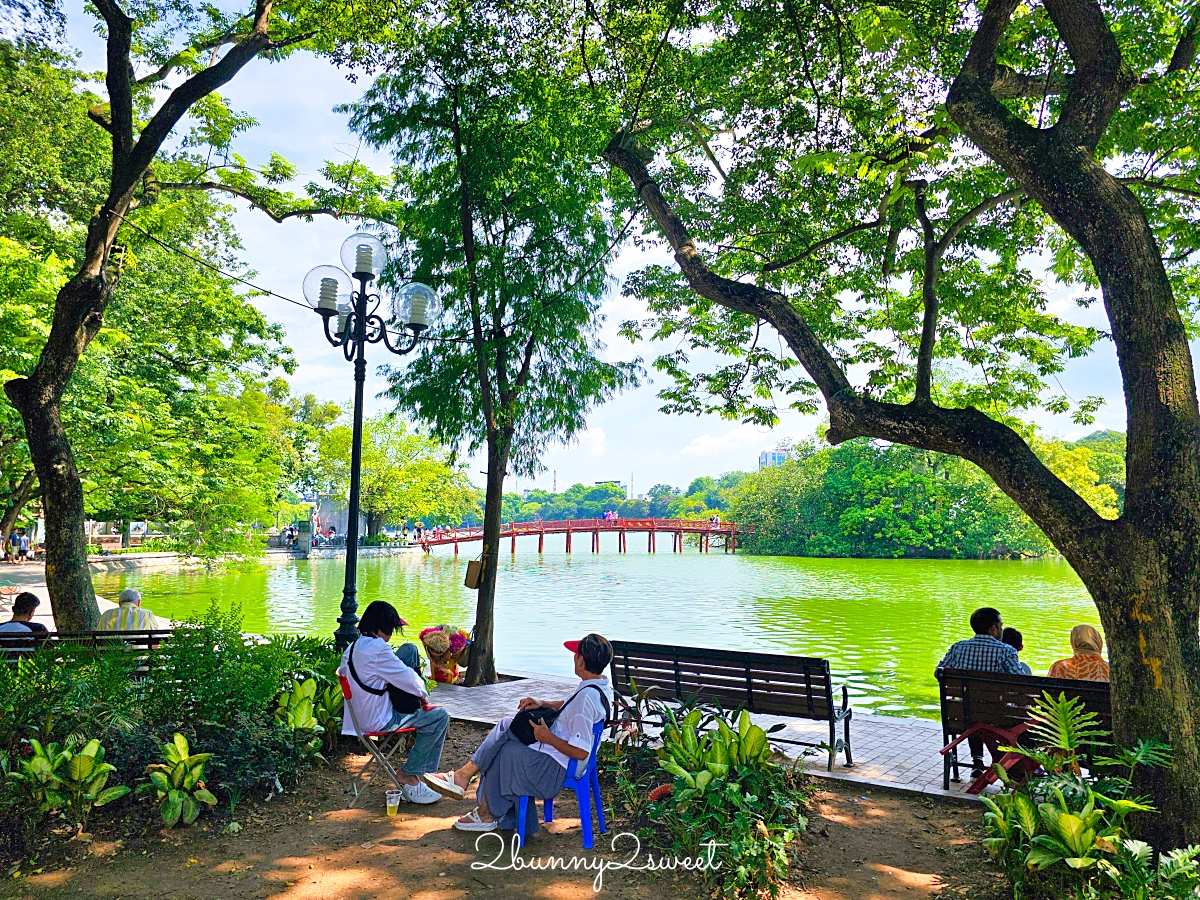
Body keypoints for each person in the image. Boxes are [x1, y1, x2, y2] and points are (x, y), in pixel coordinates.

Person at [422, 633, 613, 834]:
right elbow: (569, 705)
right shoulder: (598, 686)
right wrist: (542, 703)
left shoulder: (586, 700)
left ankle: (484, 809)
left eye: (575, 654)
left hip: (556, 767)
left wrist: (548, 737)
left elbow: (582, 752)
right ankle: (470, 785)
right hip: (557, 756)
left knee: (505, 751)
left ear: (581, 660)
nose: (573, 657)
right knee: (506, 725)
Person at [339, 601, 449, 805]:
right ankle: (413, 774)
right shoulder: (379, 651)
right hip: (379, 720)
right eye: (390, 629)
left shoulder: (354, 647)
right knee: (439, 717)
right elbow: (410, 680)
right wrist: (423, 696)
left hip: (359, 716)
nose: (390, 635)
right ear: (382, 628)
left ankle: (419, 774)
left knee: (408, 650)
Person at [935, 607, 1023, 778]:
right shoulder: (1006, 651)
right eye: (1000, 626)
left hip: (961, 716)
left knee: (972, 709)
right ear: (993, 629)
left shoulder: (958, 648)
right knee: (988, 712)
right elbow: (1019, 683)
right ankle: (1009, 767)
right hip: (997, 718)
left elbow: (939, 672)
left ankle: (977, 760)